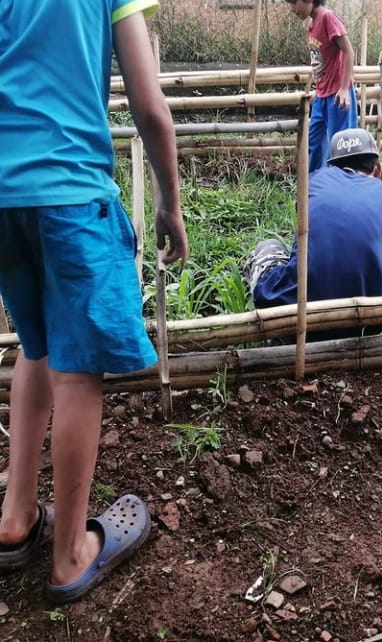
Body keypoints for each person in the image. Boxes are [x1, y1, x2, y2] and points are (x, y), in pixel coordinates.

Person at [0, 0, 188, 604]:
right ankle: (70, 554)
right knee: (79, 372)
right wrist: (170, 205)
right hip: (72, 195)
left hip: (5, 197)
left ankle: (15, 517)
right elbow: (150, 109)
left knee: (39, 345)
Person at [245, 128, 382, 341]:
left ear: (332, 164)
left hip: (298, 318)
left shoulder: (314, 181)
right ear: (378, 170)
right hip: (363, 327)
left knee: (268, 247)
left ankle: (271, 330)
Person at [284, 0, 358, 172]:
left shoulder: (328, 18)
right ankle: (315, 185)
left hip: (338, 95)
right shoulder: (312, 24)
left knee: (341, 146)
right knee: (315, 142)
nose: (292, 9)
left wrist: (344, 88)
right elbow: (322, 63)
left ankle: (342, 187)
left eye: (294, 3)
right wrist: (319, 90)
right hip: (322, 95)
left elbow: (348, 51)